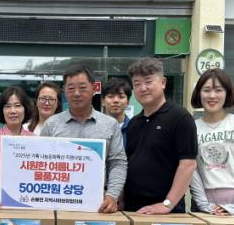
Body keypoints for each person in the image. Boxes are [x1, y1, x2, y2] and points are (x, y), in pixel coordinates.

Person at [41, 64, 127, 213]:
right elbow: (40, 162)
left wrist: (112, 195)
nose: (76, 93)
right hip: (57, 202)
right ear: (64, 91)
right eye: (70, 88)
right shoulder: (51, 124)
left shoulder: (110, 124)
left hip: (98, 204)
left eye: (82, 87)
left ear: (94, 89)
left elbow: (118, 162)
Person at [124, 58, 197, 214]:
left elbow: (188, 164)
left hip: (166, 212)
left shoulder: (180, 117)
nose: (143, 88)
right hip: (132, 208)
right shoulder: (134, 123)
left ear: (163, 82)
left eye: (148, 82)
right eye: (137, 84)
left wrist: (167, 204)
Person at [189, 69, 234, 215]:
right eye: (206, 90)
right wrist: (204, 205)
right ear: (198, 93)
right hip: (203, 202)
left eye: (218, 90)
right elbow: (191, 169)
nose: (212, 96)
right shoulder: (191, 127)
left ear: (227, 93)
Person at [0, 86, 35, 209]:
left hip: (27, 205)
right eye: (7, 106)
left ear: (25, 109)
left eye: (17, 106)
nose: (12, 111)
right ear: (1, 110)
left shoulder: (35, 140)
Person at [102, 77, 132, 146]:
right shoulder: (95, 127)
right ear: (103, 101)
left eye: (121, 97)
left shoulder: (134, 128)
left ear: (128, 102)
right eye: (111, 96)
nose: (116, 100)